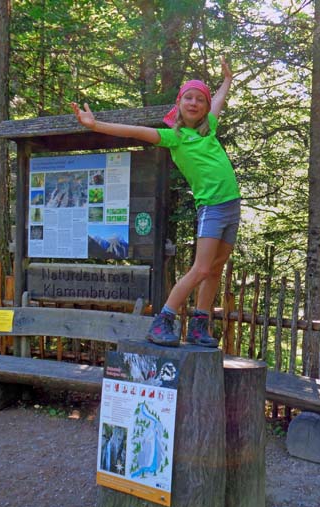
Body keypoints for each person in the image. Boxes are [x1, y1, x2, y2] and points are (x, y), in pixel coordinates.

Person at [71, 57, 240, 347]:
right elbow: (134, 132)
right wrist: (96, 125)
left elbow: (220, 101)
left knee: (216, 267)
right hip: (211, 207)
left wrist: (227, 80)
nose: (194, 103)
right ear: (179, 103)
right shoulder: (173, 137)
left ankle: (200, 325)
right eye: (189, 97)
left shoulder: (209, 127)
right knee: (201, 268)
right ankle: (163, 319)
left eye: (201, 99)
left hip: (231, 206)